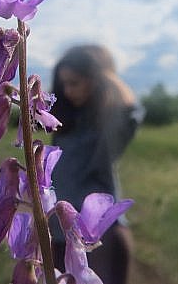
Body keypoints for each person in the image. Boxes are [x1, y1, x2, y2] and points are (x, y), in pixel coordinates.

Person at [49, 44, 139, 284]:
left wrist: (105, 72)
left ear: (95, 81)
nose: (67, 91)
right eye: (64, 84)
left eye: (74, 83)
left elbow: (131, 111)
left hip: (103, 238)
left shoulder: (106, 127)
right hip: (58, 236)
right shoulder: (63, 125)